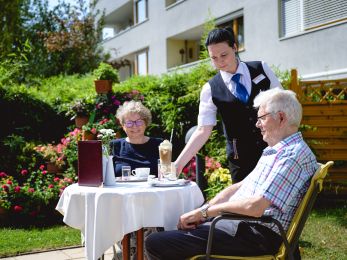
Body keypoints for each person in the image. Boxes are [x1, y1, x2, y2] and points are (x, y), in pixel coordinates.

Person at [145, 88, 317, 260]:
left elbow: (255, 207)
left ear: (281, 118)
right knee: (171, 230)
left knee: (156, 242)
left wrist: (204, 214)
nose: (257, 124)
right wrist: (204, 211)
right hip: (240, 227)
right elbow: (240, 187)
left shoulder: (292, 155)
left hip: (255, 235)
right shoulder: (276, 150)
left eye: (262, 118)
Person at [175, 27, 283, 183]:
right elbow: (203, 130)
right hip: (240, 159)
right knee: (244, 204)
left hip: (273, 148)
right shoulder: (210, 89)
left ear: (235, 47)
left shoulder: (261, 69)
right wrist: (178, 165)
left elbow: (284, 106)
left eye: (224, 55)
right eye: (214, 58)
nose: (220, 61)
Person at [110, 100, 163, 177]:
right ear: (122, 125)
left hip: (152, 188)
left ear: (146, 123)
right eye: (129, 123)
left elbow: (168, 172)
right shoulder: (114, 146)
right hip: (122, 189)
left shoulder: (160, 145)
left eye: (139, 122)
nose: (134, 126)